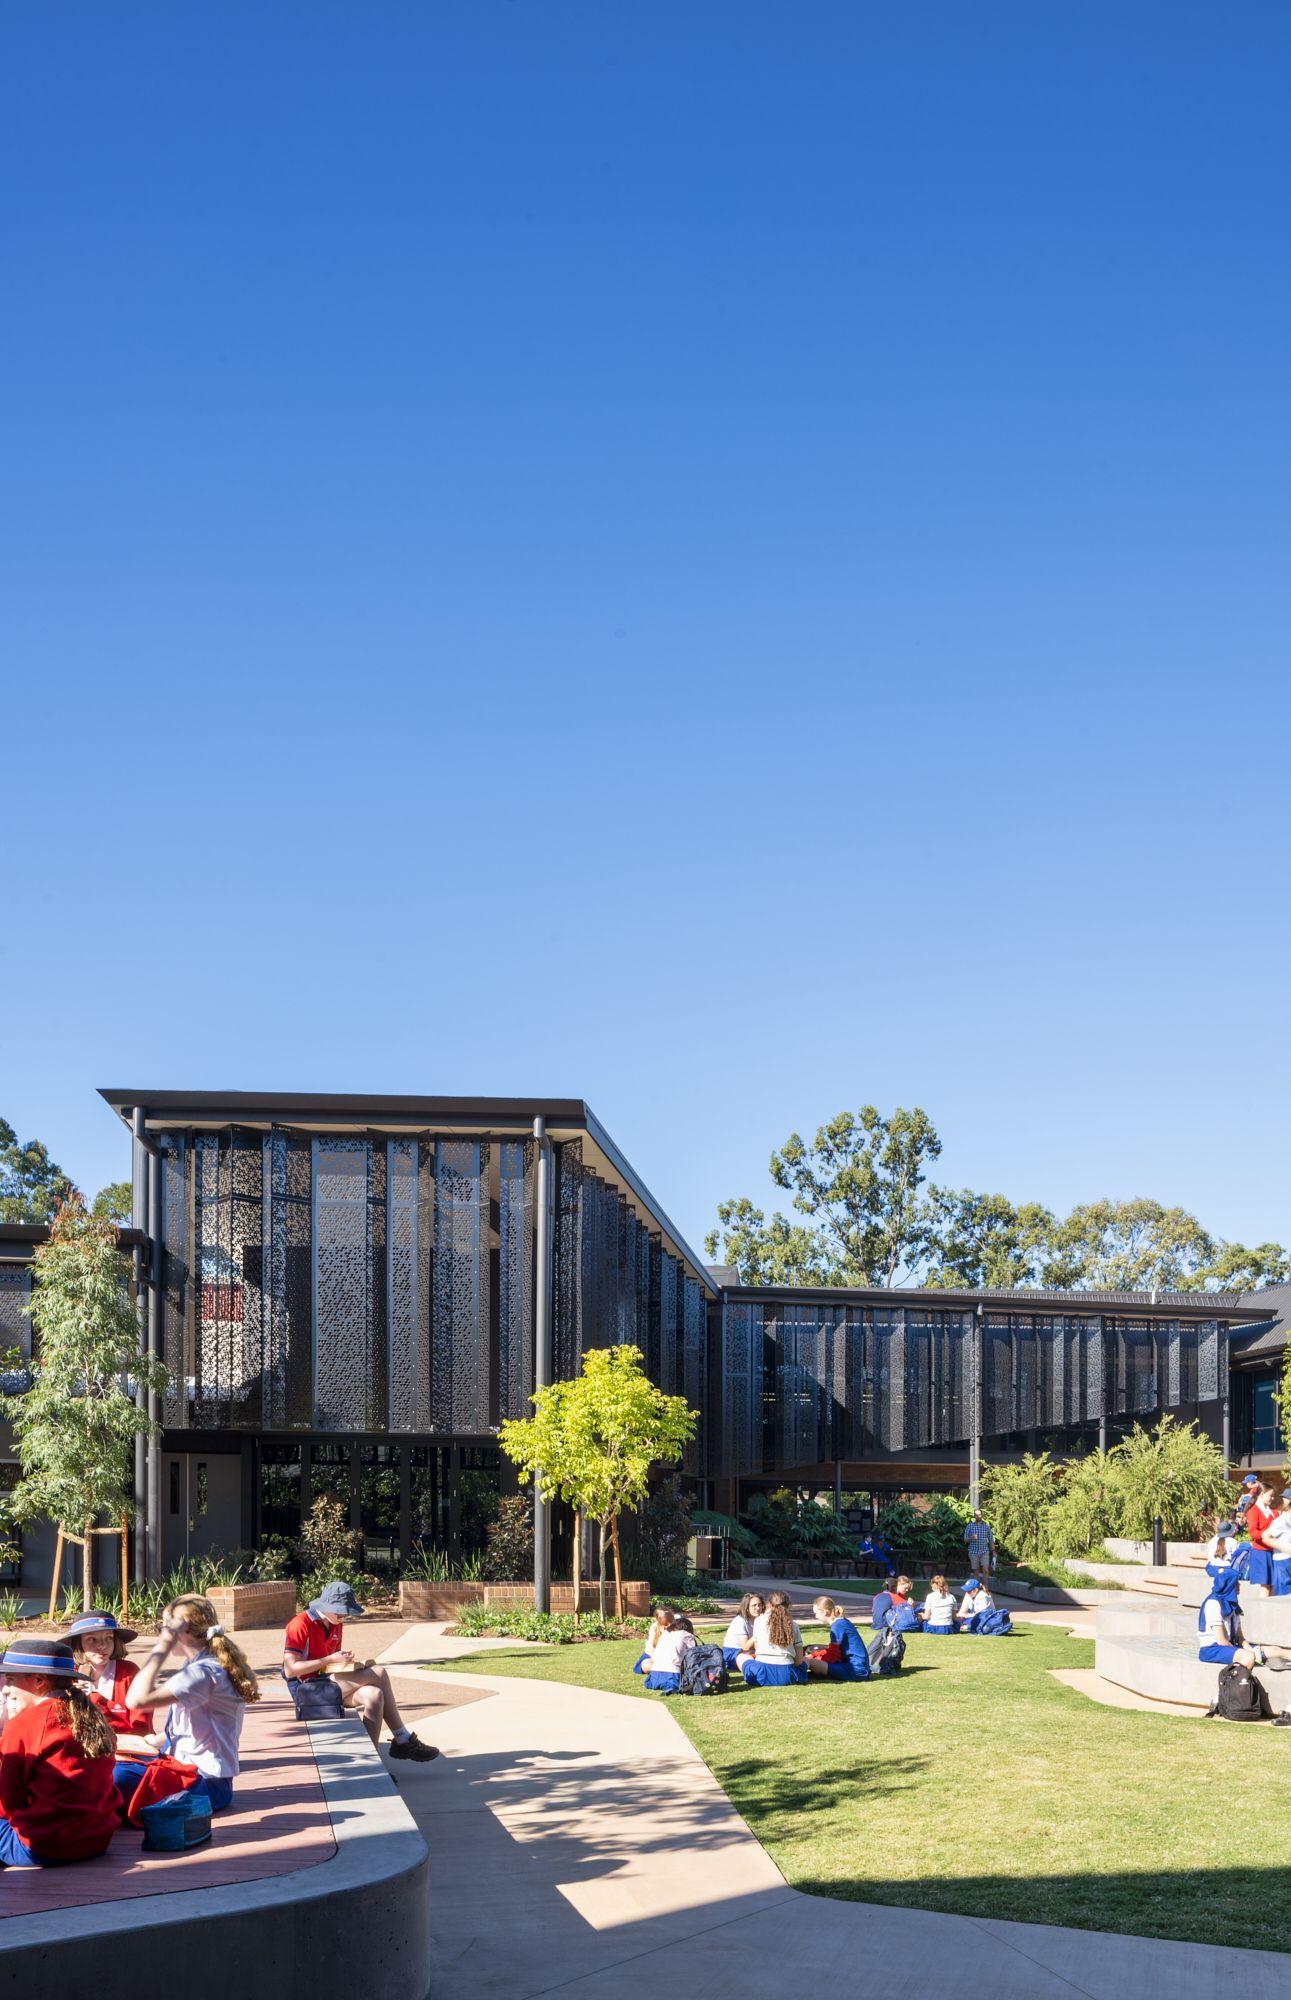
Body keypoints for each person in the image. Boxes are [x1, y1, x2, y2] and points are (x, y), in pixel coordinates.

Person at [114, 1592, 261, 1815]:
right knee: (109, 1765)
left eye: (162, 1628)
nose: (160, 1633)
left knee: (114, 1777)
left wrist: (162, 1647)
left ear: (179, 1632)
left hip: (203, 1785)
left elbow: (135, 1700)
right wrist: (156, 1740)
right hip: (197, 1775)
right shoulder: (201, 1663)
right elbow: (201, 1725)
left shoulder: (203, 1673)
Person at [283, 1580, 438, 1760]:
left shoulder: (335, 1623)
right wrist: (330, 1659)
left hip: (327, 1683)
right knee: (378, 1672)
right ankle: (402, 1738)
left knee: (374, 1695)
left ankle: (371, 1761)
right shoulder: (300, 1624)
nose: (344, 1617)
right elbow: (290, 1670)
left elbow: (327, 1666)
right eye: (341, 1612)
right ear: (327, 1606)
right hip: (308, 1691)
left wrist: (345, 1663)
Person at [0, 1639, 120, 1867]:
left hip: (43, 1846)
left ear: (38, 1681)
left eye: (11, 1679)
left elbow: (8, 1803)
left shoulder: (24, 1725)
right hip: (97, 1841)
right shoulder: (92, 1714)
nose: (6, 1687)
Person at [67, 1612, 149, 1739]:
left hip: (127, 1747)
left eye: (109, 1638)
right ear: (78, 1643)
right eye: (92, 1639)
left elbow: (142, 1725)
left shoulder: (129, 1672)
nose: (102, 1646)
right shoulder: (67, 1675)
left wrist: (95, 1698)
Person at [1197, 1565, 1291, 1672]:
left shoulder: (1232, 1604)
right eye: (1236, 1582)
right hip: (1213, 1649)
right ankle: (1231, 1683)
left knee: (1275, 1650)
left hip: (1230, 1646)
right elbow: (1221, 1640)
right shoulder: (1213, 1604)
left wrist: (1253, 1651)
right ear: (1228, 1585)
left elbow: (1240, 1638)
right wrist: (1251, 1654)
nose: (1239, 1584)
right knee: (1248, 1657)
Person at [739, 1591, 807, 1686]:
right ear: (788, 1605)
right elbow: (799, 1660)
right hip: (787, 1675)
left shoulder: (759, 1621)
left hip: (762, 1674)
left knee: (741, 1657)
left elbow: (757, 1648)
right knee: (806, 1661)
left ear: (769, 1605)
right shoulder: (794, 1625)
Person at [806, 1596, 871, 1680]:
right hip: (858, 1667)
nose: (816, 1616)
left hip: (855, 1670)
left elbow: (833, 1655)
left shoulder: (837, 1625)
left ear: (825, 1612)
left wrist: (812, 1657)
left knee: (809, 1662)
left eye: (816, 1613)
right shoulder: (842, 1622)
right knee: (812, 1661)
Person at [643, 1609, 695, 1693]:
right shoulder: (686, 1636)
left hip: (654, 1676)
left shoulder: (665, 1634)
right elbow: (694, 1655)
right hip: (673, 1675)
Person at [1243, 1484, 1277, 1596]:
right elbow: (1253, 1533)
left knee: (1272, 1586)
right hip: (1261, 1552)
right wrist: (1266, 1534)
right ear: (1262, 1494)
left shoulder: (1273, 1512)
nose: (1272, 1498)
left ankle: (1269, 1611)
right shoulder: (1254, 1511)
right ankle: (1264, 1611)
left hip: (1273, 1551)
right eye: (1270, 1495)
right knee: (1265, 1587)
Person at [720, 1592, 765, 1669]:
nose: (757, 1608)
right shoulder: (740, 1621)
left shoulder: (760, 1619)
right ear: (747, 1608)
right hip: (733, 1652)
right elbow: (745, 1647)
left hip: (750, 1651)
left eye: (759, 1605)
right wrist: (757, 1635)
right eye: (754, 1605)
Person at [1265, 1493, 1291, 1596]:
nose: (1283, 1499)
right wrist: (1285, 1548)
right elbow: (1265, 1536)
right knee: (1283, 1596)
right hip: (1283, 1561)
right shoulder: (1281, 1521)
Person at [963, 1509, 996, 1579]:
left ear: (982, 1515)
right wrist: (971, 1537)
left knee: (986, 1570)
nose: (978, 1516)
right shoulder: (969, 1526)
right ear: (974, 1516)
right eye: (976, 1515)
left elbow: (991, 1540)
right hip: (973, 1552)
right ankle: (976, 1589)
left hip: (984, 1551)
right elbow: (965, 1540)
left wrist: (993, 1551)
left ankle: (986, 1588)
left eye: (979, 1515)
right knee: (976, 1571)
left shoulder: (986, 1526)